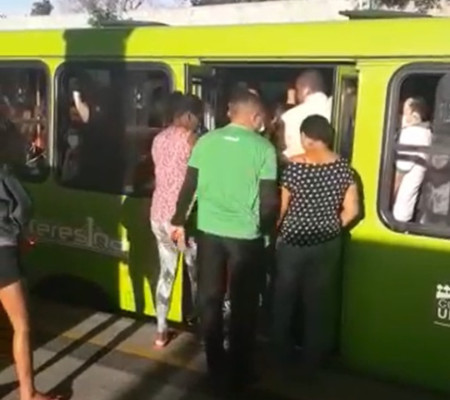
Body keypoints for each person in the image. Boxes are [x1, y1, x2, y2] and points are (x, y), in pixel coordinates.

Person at [171, 89, 279, 391]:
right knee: (244, 305)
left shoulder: (205, 142)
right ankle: (241, 371)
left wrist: (178, 220)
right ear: (255, 116)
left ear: (231, 113)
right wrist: (266, 233)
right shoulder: (264, 148)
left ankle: (215, 366)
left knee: (210, 298)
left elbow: (188, 185)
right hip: (246, 237)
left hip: (209, 232)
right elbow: (269, 201)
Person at [273, 115, 359, 376]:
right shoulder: (344, 168)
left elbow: (281, 210)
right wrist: (330, 227)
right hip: (327, 244)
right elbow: (353, 211)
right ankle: (312, 361)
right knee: (318, 303)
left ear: (305, 137)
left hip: (292, 244)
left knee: (285, 299)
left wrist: (274, 233)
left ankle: (280, 355)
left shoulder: (295, 168)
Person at [0, 115, 57, 400]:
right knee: (21, 325)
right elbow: (22, 206)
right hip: (3, 253)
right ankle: (28, 393)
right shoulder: (4, 174)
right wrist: (21, 233)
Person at [150, 92, 203, 348]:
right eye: (198, 116)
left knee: (166, 272)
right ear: (188, 115)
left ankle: (161, 330)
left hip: (158, 215)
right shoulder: (193, 140)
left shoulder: (158, 139)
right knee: (196, 272)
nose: (199, 121)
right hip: (182, 219)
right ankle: (199, 323)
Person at [393, 97, 432, 222]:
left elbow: (400, 174)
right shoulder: (427, 132)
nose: (400, 116)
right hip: (410, 207)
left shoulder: (411, 133)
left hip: (399, 211)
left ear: (414, 116)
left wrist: (389, 199)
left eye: (404, 112)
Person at [281, 70, 332, 158]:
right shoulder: (337, 106)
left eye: (297, 90)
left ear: (305, 90)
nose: (297, 96)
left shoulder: (290, 117)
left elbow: (291, 154)